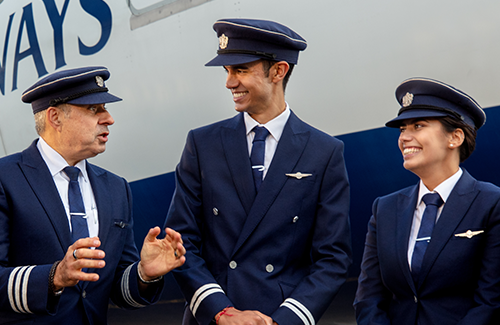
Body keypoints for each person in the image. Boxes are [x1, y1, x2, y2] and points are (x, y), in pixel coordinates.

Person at [164, 18, 352, 325]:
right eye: (227, 71)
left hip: (277, 317)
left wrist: (283, 321)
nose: (229, 82)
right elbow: (181, 242)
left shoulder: (324, 152)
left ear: (278, 71)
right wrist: (222, 312)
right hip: (214, 317)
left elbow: (333, 259)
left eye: (240, 70)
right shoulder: (202, 144)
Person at [0, 66, 186, 324]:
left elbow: (117, 291)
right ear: (55, 117)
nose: (109, 118)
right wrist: (55, 277)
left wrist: (144, 274)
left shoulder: (116, 188)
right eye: (94, 109)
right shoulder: (5, 178)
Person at [354, 77, 500, 324]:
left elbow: (491, 300)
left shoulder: (491, 203)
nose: (404, 138)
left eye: (418, 126)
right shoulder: (385, 208)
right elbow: (368, 298)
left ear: (455, 137)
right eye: (402, 129)